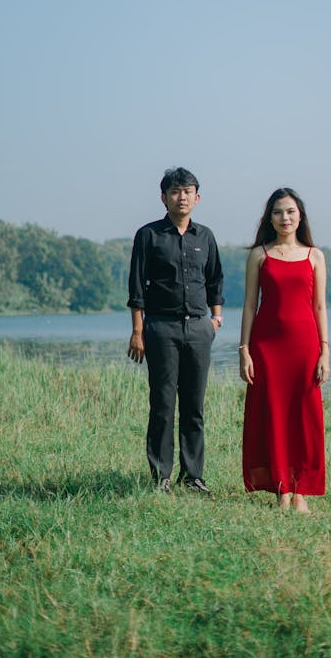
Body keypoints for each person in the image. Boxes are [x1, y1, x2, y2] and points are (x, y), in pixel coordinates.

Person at [127, 167, 224, 495]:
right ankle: (161, 477)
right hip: (161, 328)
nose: (181, 197)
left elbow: (215, 280)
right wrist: (138, 331)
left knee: (194, 406)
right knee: (163, 403)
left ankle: (193, 475)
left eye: (187, 191)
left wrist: (216, 320)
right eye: (174, 191)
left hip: (199, 328)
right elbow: (137, 286)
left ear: (197, 197)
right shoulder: (149, 235)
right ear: (163, 197)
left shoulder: (206, 236)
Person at [239, 187, 329, 513]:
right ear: (270, 218)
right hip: (267, 348)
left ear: (300, 215)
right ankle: (282, 490)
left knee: (304, 418)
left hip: (305, 348)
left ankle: (301, 490)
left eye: (290, 211)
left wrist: (325, 351)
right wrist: (244, 350)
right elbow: (249, 306)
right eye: (278, 212)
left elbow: (320, 307)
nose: (285, 217)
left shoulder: (314, 256)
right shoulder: (259, 255)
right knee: (273, 417)